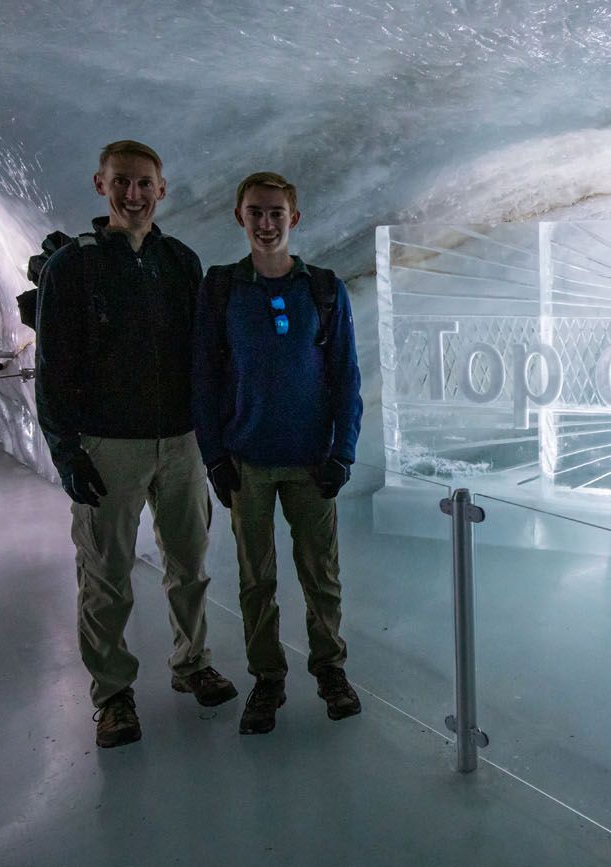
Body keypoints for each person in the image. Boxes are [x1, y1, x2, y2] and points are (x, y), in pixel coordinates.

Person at [35, 140, 238, 749]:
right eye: (122, 181)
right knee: (106, 574)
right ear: (100, 184)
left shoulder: (180, 261)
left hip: (180, 442)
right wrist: (66, 450)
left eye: (144, 182)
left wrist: (213, 437)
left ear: (162, 188)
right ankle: (113, 694)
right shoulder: (73, 266)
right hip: (107, 445)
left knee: (189, 565)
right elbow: (52, 365)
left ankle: (192, 662)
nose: (134, 194)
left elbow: (203, 356)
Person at [192, 171, 363, 735]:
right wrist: (215, 456)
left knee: (321, 575)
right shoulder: (221, 289)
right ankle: (268, 678)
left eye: (276, 213)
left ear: (295, 219)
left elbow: (345, 379)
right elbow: (206, 379)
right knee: (254, 578)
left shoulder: (323, 289)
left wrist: (343, 452)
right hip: (249, 463)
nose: (266, 224)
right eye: (256, 213)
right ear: (239, 217)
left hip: (312, 462)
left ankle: (329, 669)